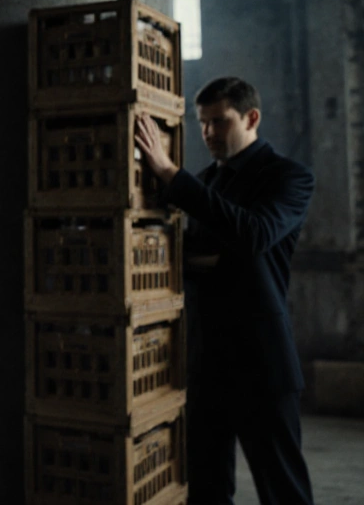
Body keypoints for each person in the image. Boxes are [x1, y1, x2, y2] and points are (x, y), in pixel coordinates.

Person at [134, 76, 315, 505]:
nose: (209, 133)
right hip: (204, 361)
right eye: (203, 123)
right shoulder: (204, 183)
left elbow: (253, 235)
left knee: (283, 489)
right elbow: (185, 259)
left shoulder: (288, 177)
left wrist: (169, 173)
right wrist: (214, 256)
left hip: (261, 362)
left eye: (220, 121)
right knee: (206, 488)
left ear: (251, 118)